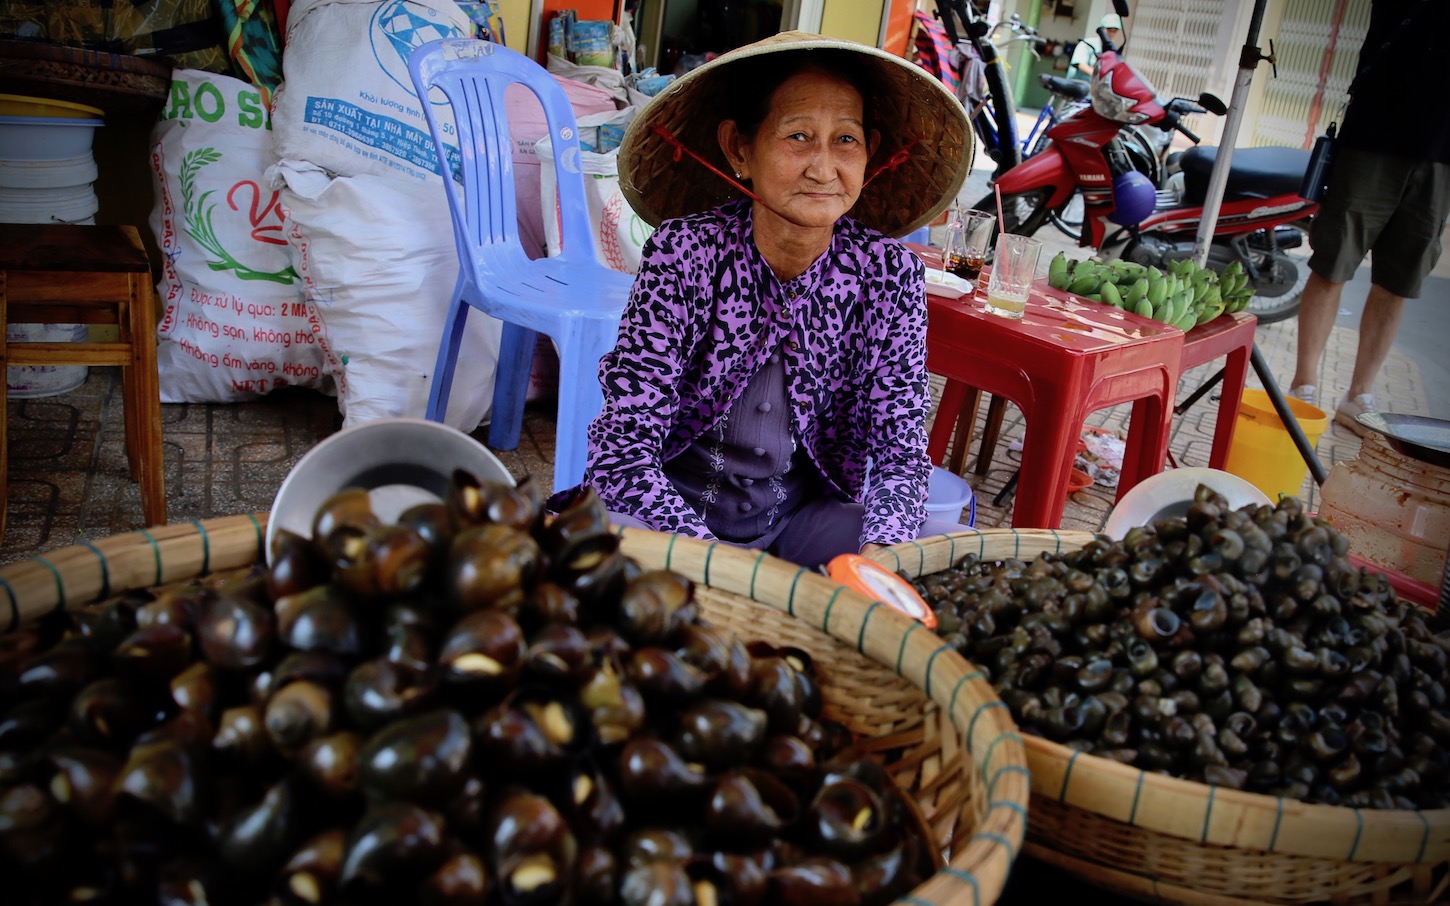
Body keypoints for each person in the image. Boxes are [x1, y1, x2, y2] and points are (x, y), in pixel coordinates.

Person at [558, 31, 972, 569]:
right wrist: (717, 562)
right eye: (798, 136)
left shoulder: (888, 275)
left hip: (799, 522)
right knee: (597, 561)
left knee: (928, 551)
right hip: (665, 517)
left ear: (869, 151)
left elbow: (900, 452)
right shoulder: (686, 254)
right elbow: (623, 453)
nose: (824, 168)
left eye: (845, 140)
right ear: (739, 149)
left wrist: (881, 553)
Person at [1288, 0, 1450, 436]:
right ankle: (1303, 385)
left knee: (1398, 280)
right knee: (1333, 264)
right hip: (1374, 136)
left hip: (1441, 153)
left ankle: (1358, 395)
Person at [1068, 13, 1123, 81]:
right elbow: (1081, 65)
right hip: (1077, 85)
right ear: (1102, 30)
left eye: (1114, 31)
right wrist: (1099, 76)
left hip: (1097, 89)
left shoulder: (1112, 51)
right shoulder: (1086, 44)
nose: (1111, 34)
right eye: (1109, 30)